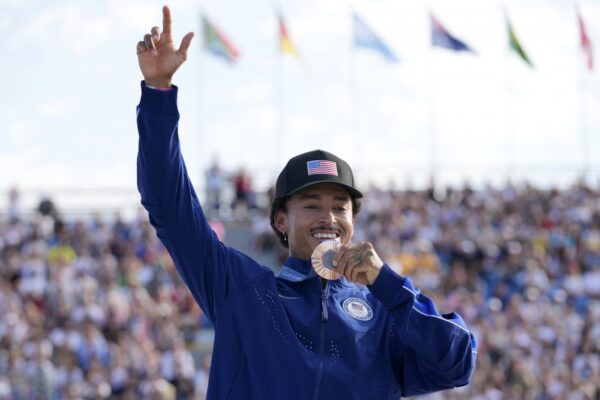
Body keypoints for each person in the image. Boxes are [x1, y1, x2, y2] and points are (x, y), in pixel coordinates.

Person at [135, 6, 476, 399]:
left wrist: (387, 284)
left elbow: (457, 363)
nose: (328, 217)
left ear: (353, 221)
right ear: (281, 220)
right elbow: (169, 207)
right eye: (311, 205)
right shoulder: (242, 290)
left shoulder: (385, 312)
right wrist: (159, 94)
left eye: (340, 206)